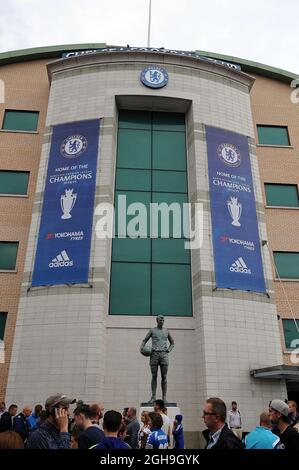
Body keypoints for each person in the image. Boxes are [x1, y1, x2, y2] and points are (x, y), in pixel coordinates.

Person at [140, 315, 174, 404]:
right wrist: (142, 348)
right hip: (154, 354)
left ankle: (164, 397)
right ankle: (153, 397)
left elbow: (172, 343)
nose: (162, 320)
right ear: (157, 320)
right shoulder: (152, 330)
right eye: (160, 319)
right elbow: (144, 340)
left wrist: (169, 350)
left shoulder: (166, 331)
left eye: (163, 319)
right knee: (154, 376)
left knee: (164, 377)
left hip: (164, 354)